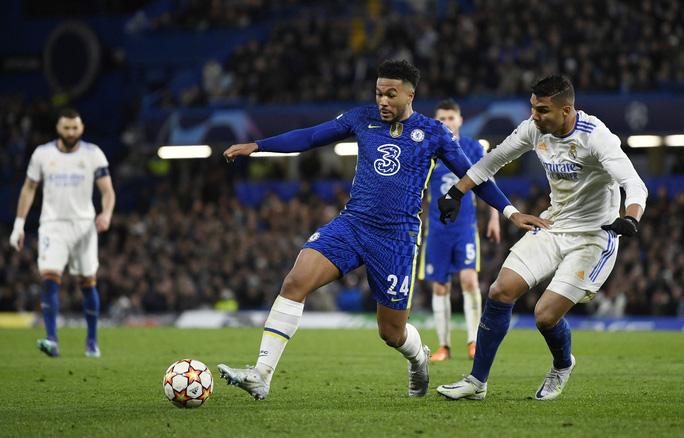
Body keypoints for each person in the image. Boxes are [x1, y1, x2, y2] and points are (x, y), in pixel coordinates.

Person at [217, 59, 548, 400]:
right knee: (295, 281)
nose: (383, 101)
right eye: (379, 93)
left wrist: (510, 212)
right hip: (353, 224)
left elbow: (474, 174)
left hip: (396, 239)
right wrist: (258, 145)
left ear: (410, 95)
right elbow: (313, 136)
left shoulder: (433, 133)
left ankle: (419, 359)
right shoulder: (362, 118)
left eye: (391, 94)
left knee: (391, 332)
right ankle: (261, 374)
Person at [436, 76, 647, 401]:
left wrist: (631, 216)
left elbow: (634, 184)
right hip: (553, 224)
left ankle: (562, 364)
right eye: (533, 108)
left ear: (566, 110)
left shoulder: (596, 137)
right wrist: (456, 192)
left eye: (542, 110)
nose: (534, 115)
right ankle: (477, 382)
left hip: (594, 236)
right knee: (501, 290)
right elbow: (490, 163)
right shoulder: (534, 129)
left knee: (545, 315)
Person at [9, 108, 116, 358]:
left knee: (88, 283)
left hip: (84, 225)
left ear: (82, 128)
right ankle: (52, 340)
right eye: (66, 128)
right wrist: (18, 224)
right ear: (58, 128)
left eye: (75, 127)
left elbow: (108, 191)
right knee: (49, 279)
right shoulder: (42, 154)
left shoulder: (93, 154)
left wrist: (107, 214)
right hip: (52, 225)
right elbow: (28, 189)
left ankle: (91, 342)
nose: (71, 132)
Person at [419, 99, 501, 361]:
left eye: (450, 118)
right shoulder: (427, 150)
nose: (446, 123)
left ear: (460, 120)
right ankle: (444, 346)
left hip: (465, 227)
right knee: (440, 287)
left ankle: (473, 342)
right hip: (437, 231)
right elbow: (420, 192)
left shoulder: (472, 147)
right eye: (441, 119)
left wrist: (494, 217)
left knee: (468, 281)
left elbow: (489, 181)